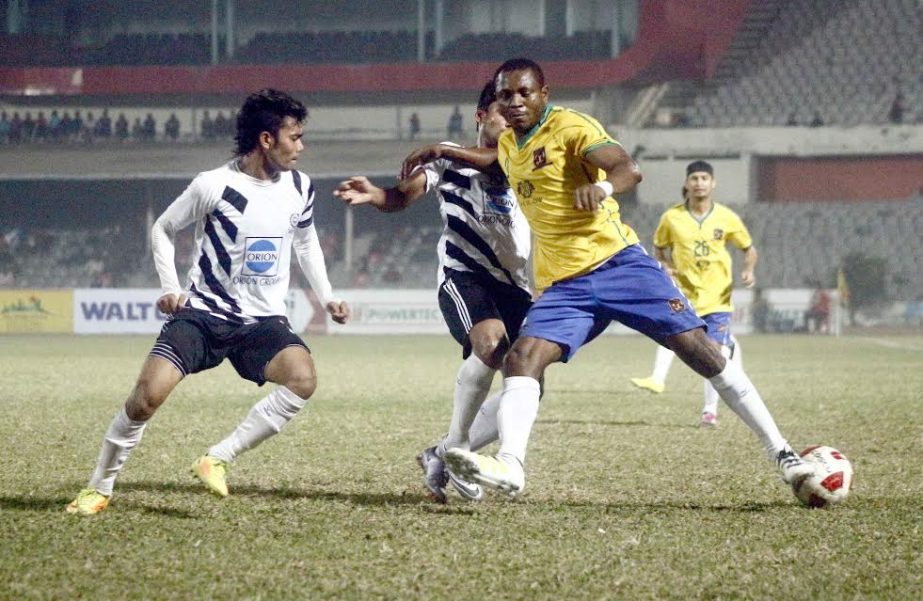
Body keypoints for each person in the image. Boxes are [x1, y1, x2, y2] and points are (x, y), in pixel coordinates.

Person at [401, 57, 812, 498]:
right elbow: (494, 160)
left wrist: (603, 187)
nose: (516, 102)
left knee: (703, 354)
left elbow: (627, 167)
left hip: (619, 266)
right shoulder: (510, 146)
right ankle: (511, 466)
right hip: (564, 287)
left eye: (525, 93)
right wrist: (444, 150)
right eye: (507, 96)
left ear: (545, 94)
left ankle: (783, 455)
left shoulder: (572, 127)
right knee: (522, 359)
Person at [65, 88, 350, 515]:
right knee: (145, 397)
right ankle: (99, 488)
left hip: (262, 322)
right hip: (203, 314)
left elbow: (306, 243)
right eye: (295, 137)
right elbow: (163, 228)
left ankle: (217, 457)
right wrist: (170, 286)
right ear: (266, 140)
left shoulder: (300, 187)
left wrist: (327, 297)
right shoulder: (214, 185)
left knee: (303, 378)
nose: (302, 147)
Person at [334, 80, 532, 504]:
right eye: (503, 112)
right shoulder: (448, 160)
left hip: (518, 285)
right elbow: (406, 194)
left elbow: (501, 167)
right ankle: (459, 446)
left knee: (526, 379)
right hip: (466, 275)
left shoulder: (519, 162)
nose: (513, 119)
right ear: (481, 117)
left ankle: (440, 455)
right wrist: (380, 196)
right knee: (491, 343)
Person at [630, 161, 757, 428]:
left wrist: (748, 269)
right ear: (687, 183)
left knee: (714, 352)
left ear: (713, 183)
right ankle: (658, 379)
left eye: (704, 178)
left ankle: (709, 411)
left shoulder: (727, 217)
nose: (699, 183)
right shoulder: (671, 218)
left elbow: (749, 248)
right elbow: (660, 250)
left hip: (718, 298)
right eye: (695, 178)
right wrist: (665, 265)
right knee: (675, 338)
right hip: (684, 294)